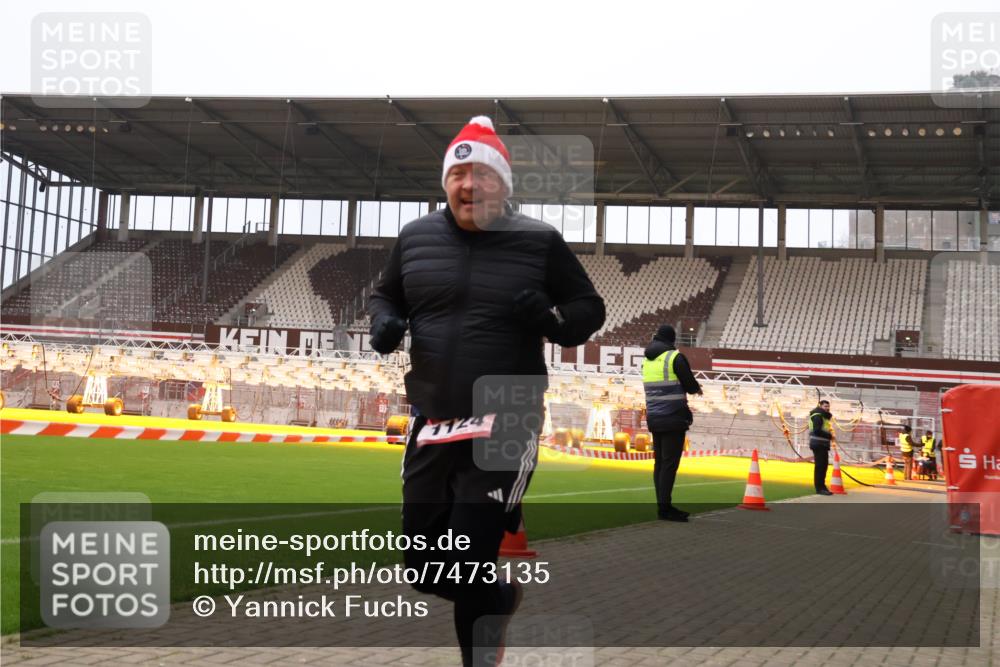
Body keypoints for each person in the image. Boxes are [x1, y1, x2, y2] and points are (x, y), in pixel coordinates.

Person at [367, 115, 605, 666]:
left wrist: (549, 317)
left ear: (503, 183)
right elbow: (386, 297)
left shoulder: (539, 242)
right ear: (445, 181)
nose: (468, 185)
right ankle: (500, 597)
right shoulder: (414, 237)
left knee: (469, 558)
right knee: (425, 567)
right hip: (434, 419)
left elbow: (587, 310)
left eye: (481, 174)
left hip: (506, 417)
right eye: (458, 174)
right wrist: (382, 322)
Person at [642, 324, 703, 522]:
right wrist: (697, 389)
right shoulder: (674, 357)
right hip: (673, 418)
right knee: (669, 464)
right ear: (672, 340)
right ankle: (665, 509)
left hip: (654, 418)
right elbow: (690, 385)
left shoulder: (648, 360)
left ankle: (662, 506)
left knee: (659, 463)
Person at [808, 399, 835, 495]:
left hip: (822, 444)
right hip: (818, 444)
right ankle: (819, 488)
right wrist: (830, 436)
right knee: (820, 466)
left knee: (823, 466)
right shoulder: (818, 416)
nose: (827, 408)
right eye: (825, 406)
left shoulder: (823, 416)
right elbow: (817, 430)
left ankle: (822, 487)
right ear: (820, 406)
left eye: (828, 406)